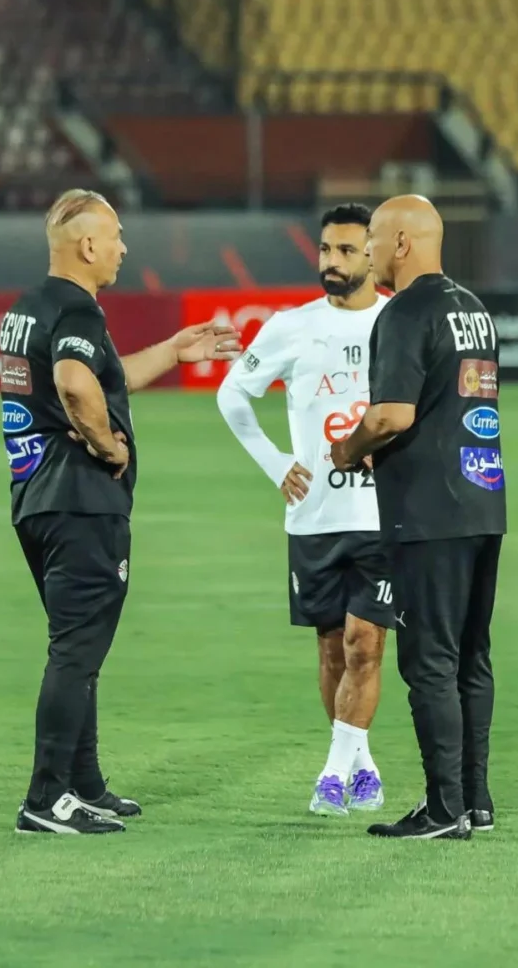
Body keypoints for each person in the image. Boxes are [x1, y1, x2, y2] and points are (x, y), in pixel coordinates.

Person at [2, 188, 240, 835]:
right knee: (76, 652)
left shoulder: (29, 308)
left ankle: (83, 785)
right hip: (82, 503)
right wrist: (109, 445)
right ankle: (45, 798)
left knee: (79, 649)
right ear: (87, 245)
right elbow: (76, 383)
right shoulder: (78, 309)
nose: (123, 248)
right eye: (115, 236)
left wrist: (173, 350)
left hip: (36, 499)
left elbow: (106, 377)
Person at [331, 194, 506, 841]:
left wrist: (348, 448)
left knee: (428, 661)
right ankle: (475, 801)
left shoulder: (404, 311)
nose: (368, 251)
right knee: (471, 657)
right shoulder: (474, 311)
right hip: (484, 499)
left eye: (373, 239)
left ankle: (442, 809)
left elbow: (391, 415)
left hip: (428, 511)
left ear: (402, 243)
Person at [217, 203, 395, 817]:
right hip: (314, 516)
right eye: (325, 249)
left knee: (366, 643)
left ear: (372, 254)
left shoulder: (398, 320)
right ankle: (362, 765)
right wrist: (275, 464)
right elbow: (232, 394)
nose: (332, 261)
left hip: (381, 516)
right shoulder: (291, 327)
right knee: (331, 650)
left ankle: (330, 777)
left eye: (345, 250)